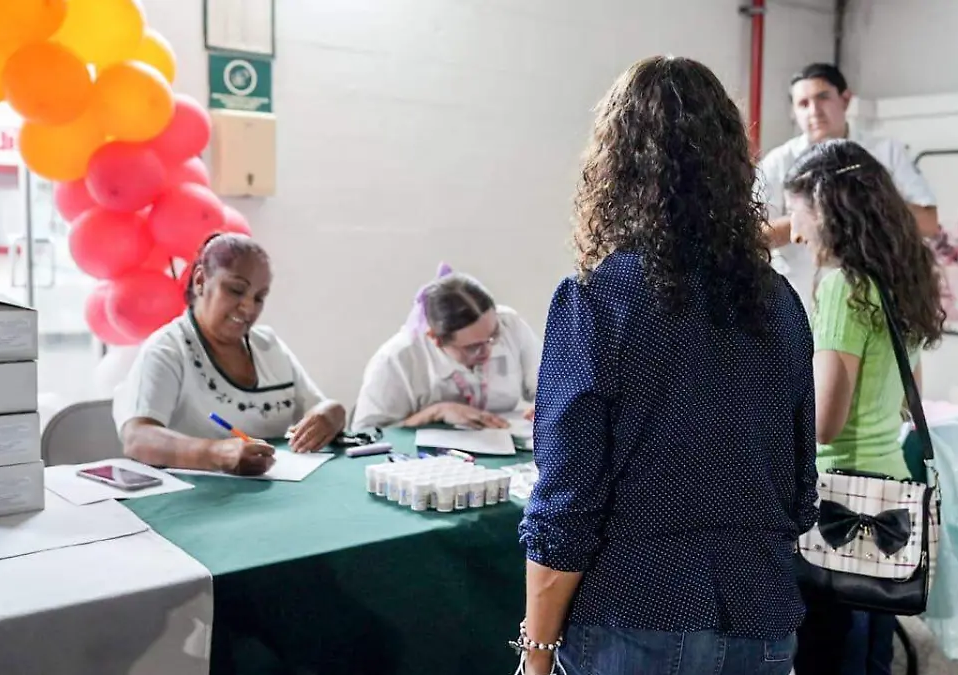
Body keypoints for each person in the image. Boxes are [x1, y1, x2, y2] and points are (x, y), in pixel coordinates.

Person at [516, 56, 818, 675]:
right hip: (759, 619)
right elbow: (797, 490)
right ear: (733, 164)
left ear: (615, 165)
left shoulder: (601, 297)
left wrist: (538, 651)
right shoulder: (780, 301)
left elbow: (566, 503)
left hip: (633, 618)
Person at [782, 138, 945, 675]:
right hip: (890, 493)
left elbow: (825, 424)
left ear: (829, 209)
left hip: (836, 503)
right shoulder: (903, 281)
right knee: (872, 648)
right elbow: (906, 401)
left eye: (798, 213)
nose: (796, 231)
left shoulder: (843, 289)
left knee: (827, 653)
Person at [113, 233, 347, 476]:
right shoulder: (168, 349)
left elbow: (318, 407)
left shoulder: (268, 345)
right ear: (201, 280)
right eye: (236, 290)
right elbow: (138, 438)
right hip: (198, 502)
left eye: (259, 298)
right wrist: (216, 454)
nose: (248, 307)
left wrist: (331, 414)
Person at [758, 63, 938, 313]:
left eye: (823, 97)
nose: (814, 111)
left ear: (845, 99)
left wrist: (861, 205)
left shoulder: (886, 152)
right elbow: (755, 237)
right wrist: (812, 215)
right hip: (801, 312)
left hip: (876, 304)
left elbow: (929, 222)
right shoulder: (777, 162)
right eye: (803, 103)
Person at [350, 264, 541, 430]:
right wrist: (435, 412)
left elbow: (549, 383)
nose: (487, 351)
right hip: (425, 463)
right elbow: (365, 433)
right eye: (472, 347)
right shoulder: (398, 359)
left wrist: (551, 404)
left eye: (493, 336)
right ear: (436, 339)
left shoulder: (510, 326)